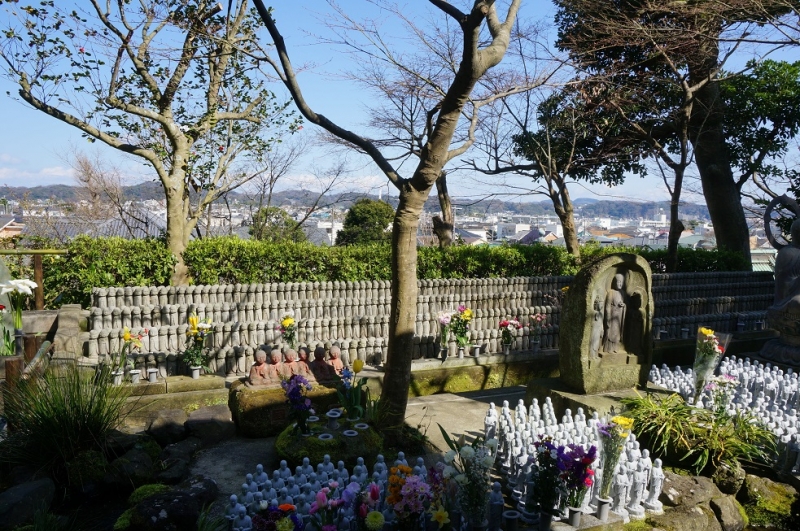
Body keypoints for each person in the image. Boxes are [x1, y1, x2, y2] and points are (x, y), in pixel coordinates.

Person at [603, 273, 627, 353]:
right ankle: (609, 348)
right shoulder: (611, 292)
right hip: (612, 315)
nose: (620, 284)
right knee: (611, 332)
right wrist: (608, 317)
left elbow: (625, 303)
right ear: (614, 282)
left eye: (621, 282)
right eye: (618, 282)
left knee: (617, 332)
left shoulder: (623, 293)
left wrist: (623, 305)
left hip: (619, 316)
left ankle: (616, 347)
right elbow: (607, 306)